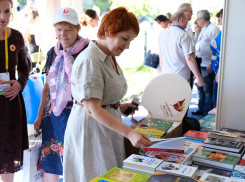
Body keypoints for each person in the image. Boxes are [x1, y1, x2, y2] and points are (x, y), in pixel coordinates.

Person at [63, 7, 152, 182]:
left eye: (130, 41)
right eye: (124, 39)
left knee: (111, 173)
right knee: (97, 174)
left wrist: (119, 106)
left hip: (107, 126)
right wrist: (130, 133)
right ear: (107, 31)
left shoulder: (108, 55)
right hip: (91, 128)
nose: (127, 46)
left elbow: (101, 96)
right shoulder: (90, 59)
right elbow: (93, 109)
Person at [33, 7, 89, 182]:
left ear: (77, 29)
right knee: (51, 158)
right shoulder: (52, 53)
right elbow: (47, 87)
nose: (63, 34)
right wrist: (40, 115)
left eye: (68, 29)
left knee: (79, 160)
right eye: (59, 29)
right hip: (53, 116)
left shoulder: (88, 51)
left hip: (78, 114)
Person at [0, 0, 29, 182]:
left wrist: (19, 84)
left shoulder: (16, 37)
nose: (3, 17)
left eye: (7, 12)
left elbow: (25, 68)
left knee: (8, 154)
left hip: (10, 104)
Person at [158, 11, 204, 87]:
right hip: (180, 77)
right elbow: (190, 58)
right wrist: (198, 76)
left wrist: (164, 72)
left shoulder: (163, 34)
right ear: (182, 20)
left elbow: (161, 56)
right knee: (182, 98)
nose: (188, 22)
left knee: (169, 98)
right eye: (187, 20)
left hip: (166, 75)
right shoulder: (184, 35)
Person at [192, 10, 220, 117]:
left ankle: (207, 111)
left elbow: (216, 48)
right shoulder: (204, 29)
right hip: (200, 62)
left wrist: (210, 63)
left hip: (207, 63)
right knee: (200, 88)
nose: (197, 21)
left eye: (198, 19)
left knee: (207, 89)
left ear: (202, 19)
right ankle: (201, 108)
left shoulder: (213, 29)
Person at [210, 9, 223, 107]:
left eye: (219, 17)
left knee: (218, 99)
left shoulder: (226, 34)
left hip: (220, 70)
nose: (219, 20)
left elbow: (222, 56)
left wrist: (218, 73)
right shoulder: (223, 32)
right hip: (217, 69)